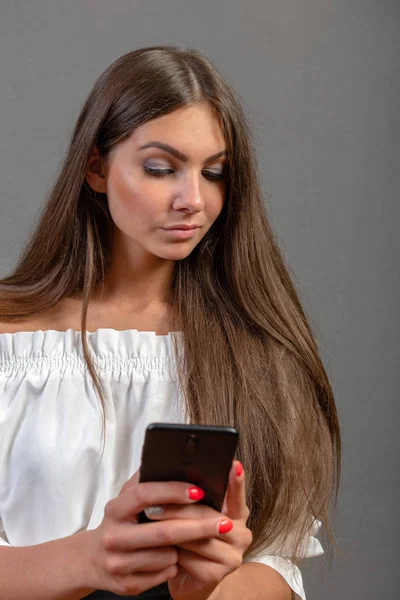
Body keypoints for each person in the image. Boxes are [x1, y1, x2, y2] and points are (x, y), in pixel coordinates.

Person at [0, 45, 340, 600]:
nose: (193, 200)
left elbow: (279, 564)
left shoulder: (254, 346)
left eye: (214, 173)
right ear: (96, 169)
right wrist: (88, 560)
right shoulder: (9, 341)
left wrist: (205, 587)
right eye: (161, 168)